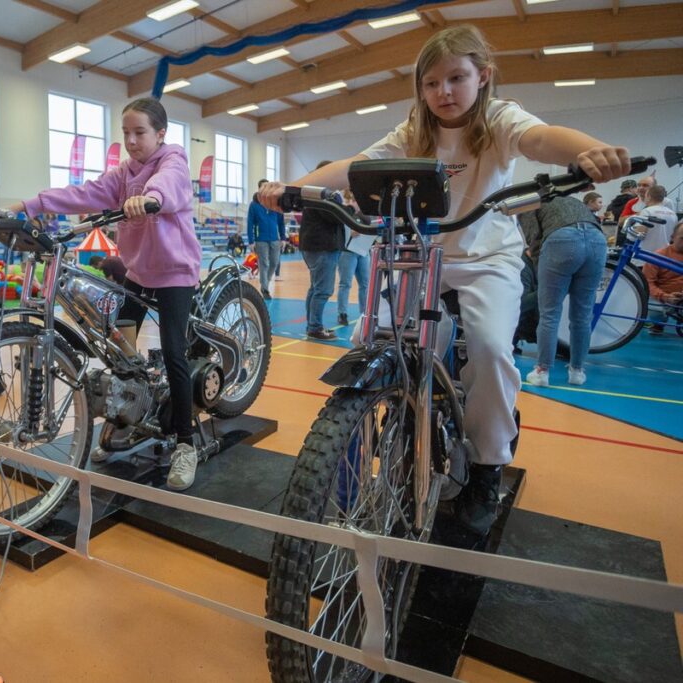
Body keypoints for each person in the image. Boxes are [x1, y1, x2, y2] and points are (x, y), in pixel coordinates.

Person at [257, 25, 631, 535]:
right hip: (421, 255)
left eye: (456, 78)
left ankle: (487, 466)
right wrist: (292, 188)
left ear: (484, 77)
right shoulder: (415, 129)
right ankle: (356, 444)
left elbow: (541, 139)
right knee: (372, 338)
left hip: (486, 260)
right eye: (431, 84)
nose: (443, 93)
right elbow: (358, 165)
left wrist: (590, 151)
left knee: (491, 349)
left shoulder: (498, 119)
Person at [8, 97, 203, 491]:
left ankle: (186, 443)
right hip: (138, 273)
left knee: (174, 353)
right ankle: (127, 415)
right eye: (126, 133)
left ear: (160, 133)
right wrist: (31, 205)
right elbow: (85, 193)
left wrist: (149, 200)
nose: (131, 141)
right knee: (119, 351)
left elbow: (168, 186)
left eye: (140, 132)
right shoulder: (123, 174)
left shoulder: (173, 160)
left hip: (174, 275)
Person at [520, 196, 607, 387]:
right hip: (598, 241)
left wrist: (541, 273)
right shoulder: (571, 198)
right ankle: (577, 371)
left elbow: (534, 240)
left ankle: (542, 372)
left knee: (549, 313)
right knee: (583, 315)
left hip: (561, 240)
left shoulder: (526, 203)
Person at [299, 161, 342, 340]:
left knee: (315, 288)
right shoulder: (321, 193)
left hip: (315, 245)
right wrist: (342, 204)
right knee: (322, 290)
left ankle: (312, 325)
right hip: (322, 246)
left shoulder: (313, 191)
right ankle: (315, 327)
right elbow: (334, 216)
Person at [336, 189, 374, 327]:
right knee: (345, 283)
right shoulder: (345, 210)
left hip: (362, 251)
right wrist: (350, 232)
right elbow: (341, 228)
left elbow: (369, 224)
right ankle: (342, 313)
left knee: (365, 284)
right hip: (348, 251)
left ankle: (364, 312)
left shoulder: (364, 212)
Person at [642, 220, 683, 335]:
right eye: (682, 238)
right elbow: (648, 283)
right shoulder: (659, 256)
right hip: (662, 298)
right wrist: (664, 297)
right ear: (672, 237)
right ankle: (658, 324)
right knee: (654, 309)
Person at [248, 179, 286, 299]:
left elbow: (281, 222)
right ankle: (264, 289)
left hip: (275, 239)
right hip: (261, 239)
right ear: (259, 189)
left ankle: (266, 282)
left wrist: (283, 238)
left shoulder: (275, 202)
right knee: (263, 264)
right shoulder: (254, 205)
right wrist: (251, 241)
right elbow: (250, 223)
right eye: (263, 187)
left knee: (274, 263)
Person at [636, 184, 676, 255]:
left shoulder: (647, 211)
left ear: (649, 197)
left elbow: (639, 234)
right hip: (663, 255)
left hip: (645, 255)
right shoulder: (673, 214)